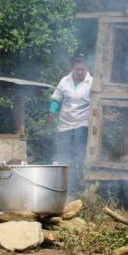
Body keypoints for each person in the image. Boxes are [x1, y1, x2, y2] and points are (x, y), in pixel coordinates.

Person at [48, 54, 93, 195]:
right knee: (63, 154)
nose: (79, 72)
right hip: (64, 125)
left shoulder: (91, 82)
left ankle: (77, 187)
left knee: (78, 155)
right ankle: (61, 186)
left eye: (82, 69)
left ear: (86, 68)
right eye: (77, 69)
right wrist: (51, 113)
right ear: (72, 68)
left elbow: (96, 102)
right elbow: (56, 99)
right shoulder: (64, 81)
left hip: (82, 124)